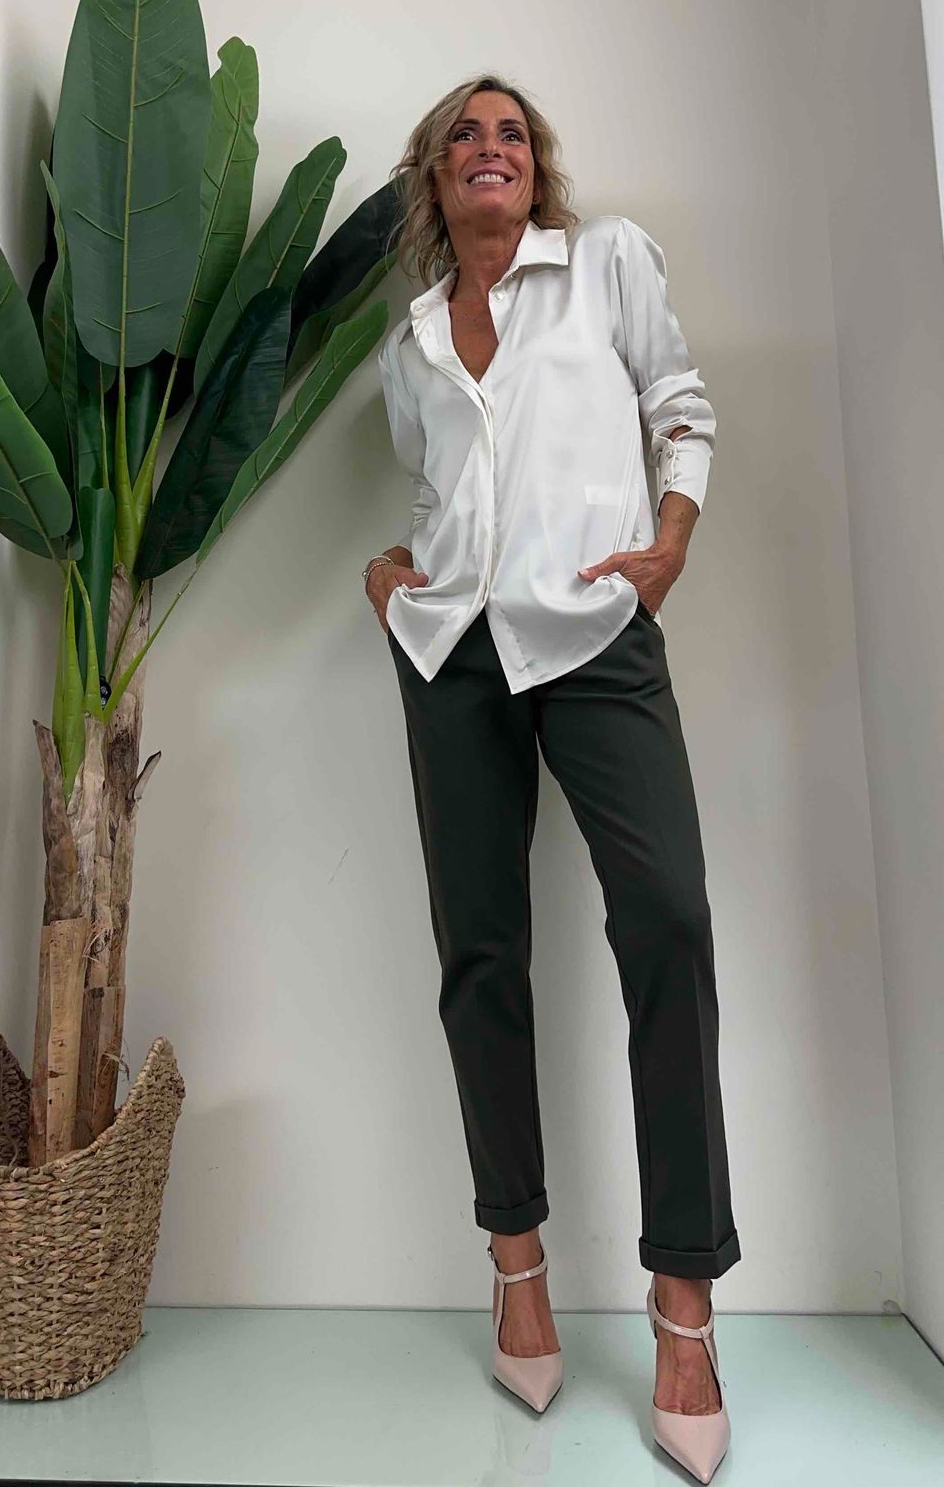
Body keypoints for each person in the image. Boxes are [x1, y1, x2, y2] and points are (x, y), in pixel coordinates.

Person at [363, 73, 738, 1482]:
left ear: (537, 168)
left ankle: (684, 1308)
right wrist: (396, 578)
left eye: (510, 132)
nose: (490, 147)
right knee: (479, 952)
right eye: (463, 134)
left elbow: (681, 407)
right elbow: (441, 495)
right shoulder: (409, 343)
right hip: (451, 652)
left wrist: (671, 541)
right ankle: (516, 1268)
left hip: (594, 634)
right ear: (434, 176)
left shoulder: (606, 267)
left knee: (669, 921)